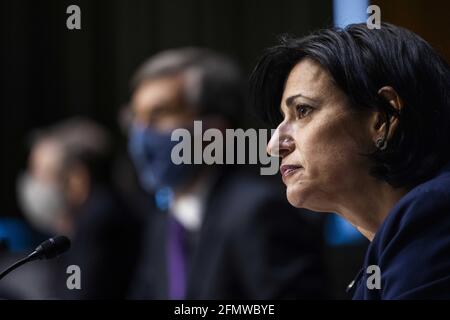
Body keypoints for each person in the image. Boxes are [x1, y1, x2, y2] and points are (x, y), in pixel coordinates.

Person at [250, 22, 450, 299]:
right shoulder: (383, 257)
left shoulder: (434, 213)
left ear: (383, 117)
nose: (274, 146)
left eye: (303, 111)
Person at [126, 47, 327, 299]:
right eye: (136, 117)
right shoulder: (163, 220)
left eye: (159, 114)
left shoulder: (258, 211)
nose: (141, 132)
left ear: (213, 131)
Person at [17, 118, 142, 299]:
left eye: (41, 173)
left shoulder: (100, 223)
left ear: (77, 178)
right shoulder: (80, 221)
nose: (34, 184)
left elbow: (75, 293)